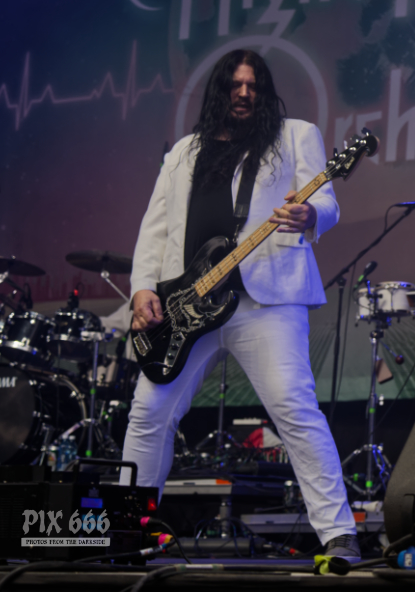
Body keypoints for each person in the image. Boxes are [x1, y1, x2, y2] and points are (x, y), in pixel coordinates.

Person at [124, 49, 359, 558]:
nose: (245, 93)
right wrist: (143, 287)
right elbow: (155, 227)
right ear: (220, 91)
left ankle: (339, 535)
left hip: (264, 299)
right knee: (149, 412)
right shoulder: (184, 151)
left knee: (294, 407)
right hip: (186, 304)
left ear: (265, 91)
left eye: (254, 85)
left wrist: (310, 216)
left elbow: (326, 201)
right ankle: (128, 530)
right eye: (235, 84)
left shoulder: (295, 135)